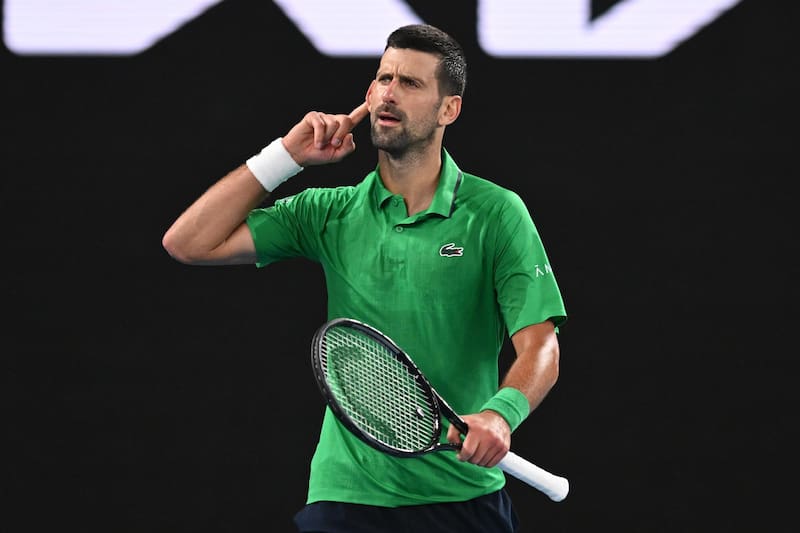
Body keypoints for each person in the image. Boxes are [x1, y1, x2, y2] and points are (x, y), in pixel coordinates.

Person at [163, 23, 567, 533]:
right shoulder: (327, 213)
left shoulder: (495, 213)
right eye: (383, 78)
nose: (389, 94)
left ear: (449, 110)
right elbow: (188, 243)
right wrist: (284, 157)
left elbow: (541, 345)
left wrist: (500, 415)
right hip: (345, 498)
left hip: (462, 502)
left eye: (411, 83)